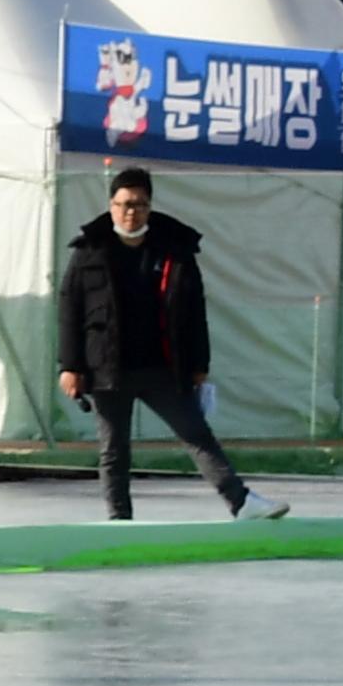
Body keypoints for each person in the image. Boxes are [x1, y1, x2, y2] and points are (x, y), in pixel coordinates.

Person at [57, 167, 291, 524]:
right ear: (111, 205)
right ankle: (119, 520)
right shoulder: (89, 251)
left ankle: (242, 502)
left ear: (150, 207)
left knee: (196, 434)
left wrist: (199, 366)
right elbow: (69, 309)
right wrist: (69, 366)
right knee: (113, 449)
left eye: (138, 204)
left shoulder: (175, 250)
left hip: (162, 367)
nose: (130, 212)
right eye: (123, 204)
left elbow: (195, 312)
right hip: (107, 367)